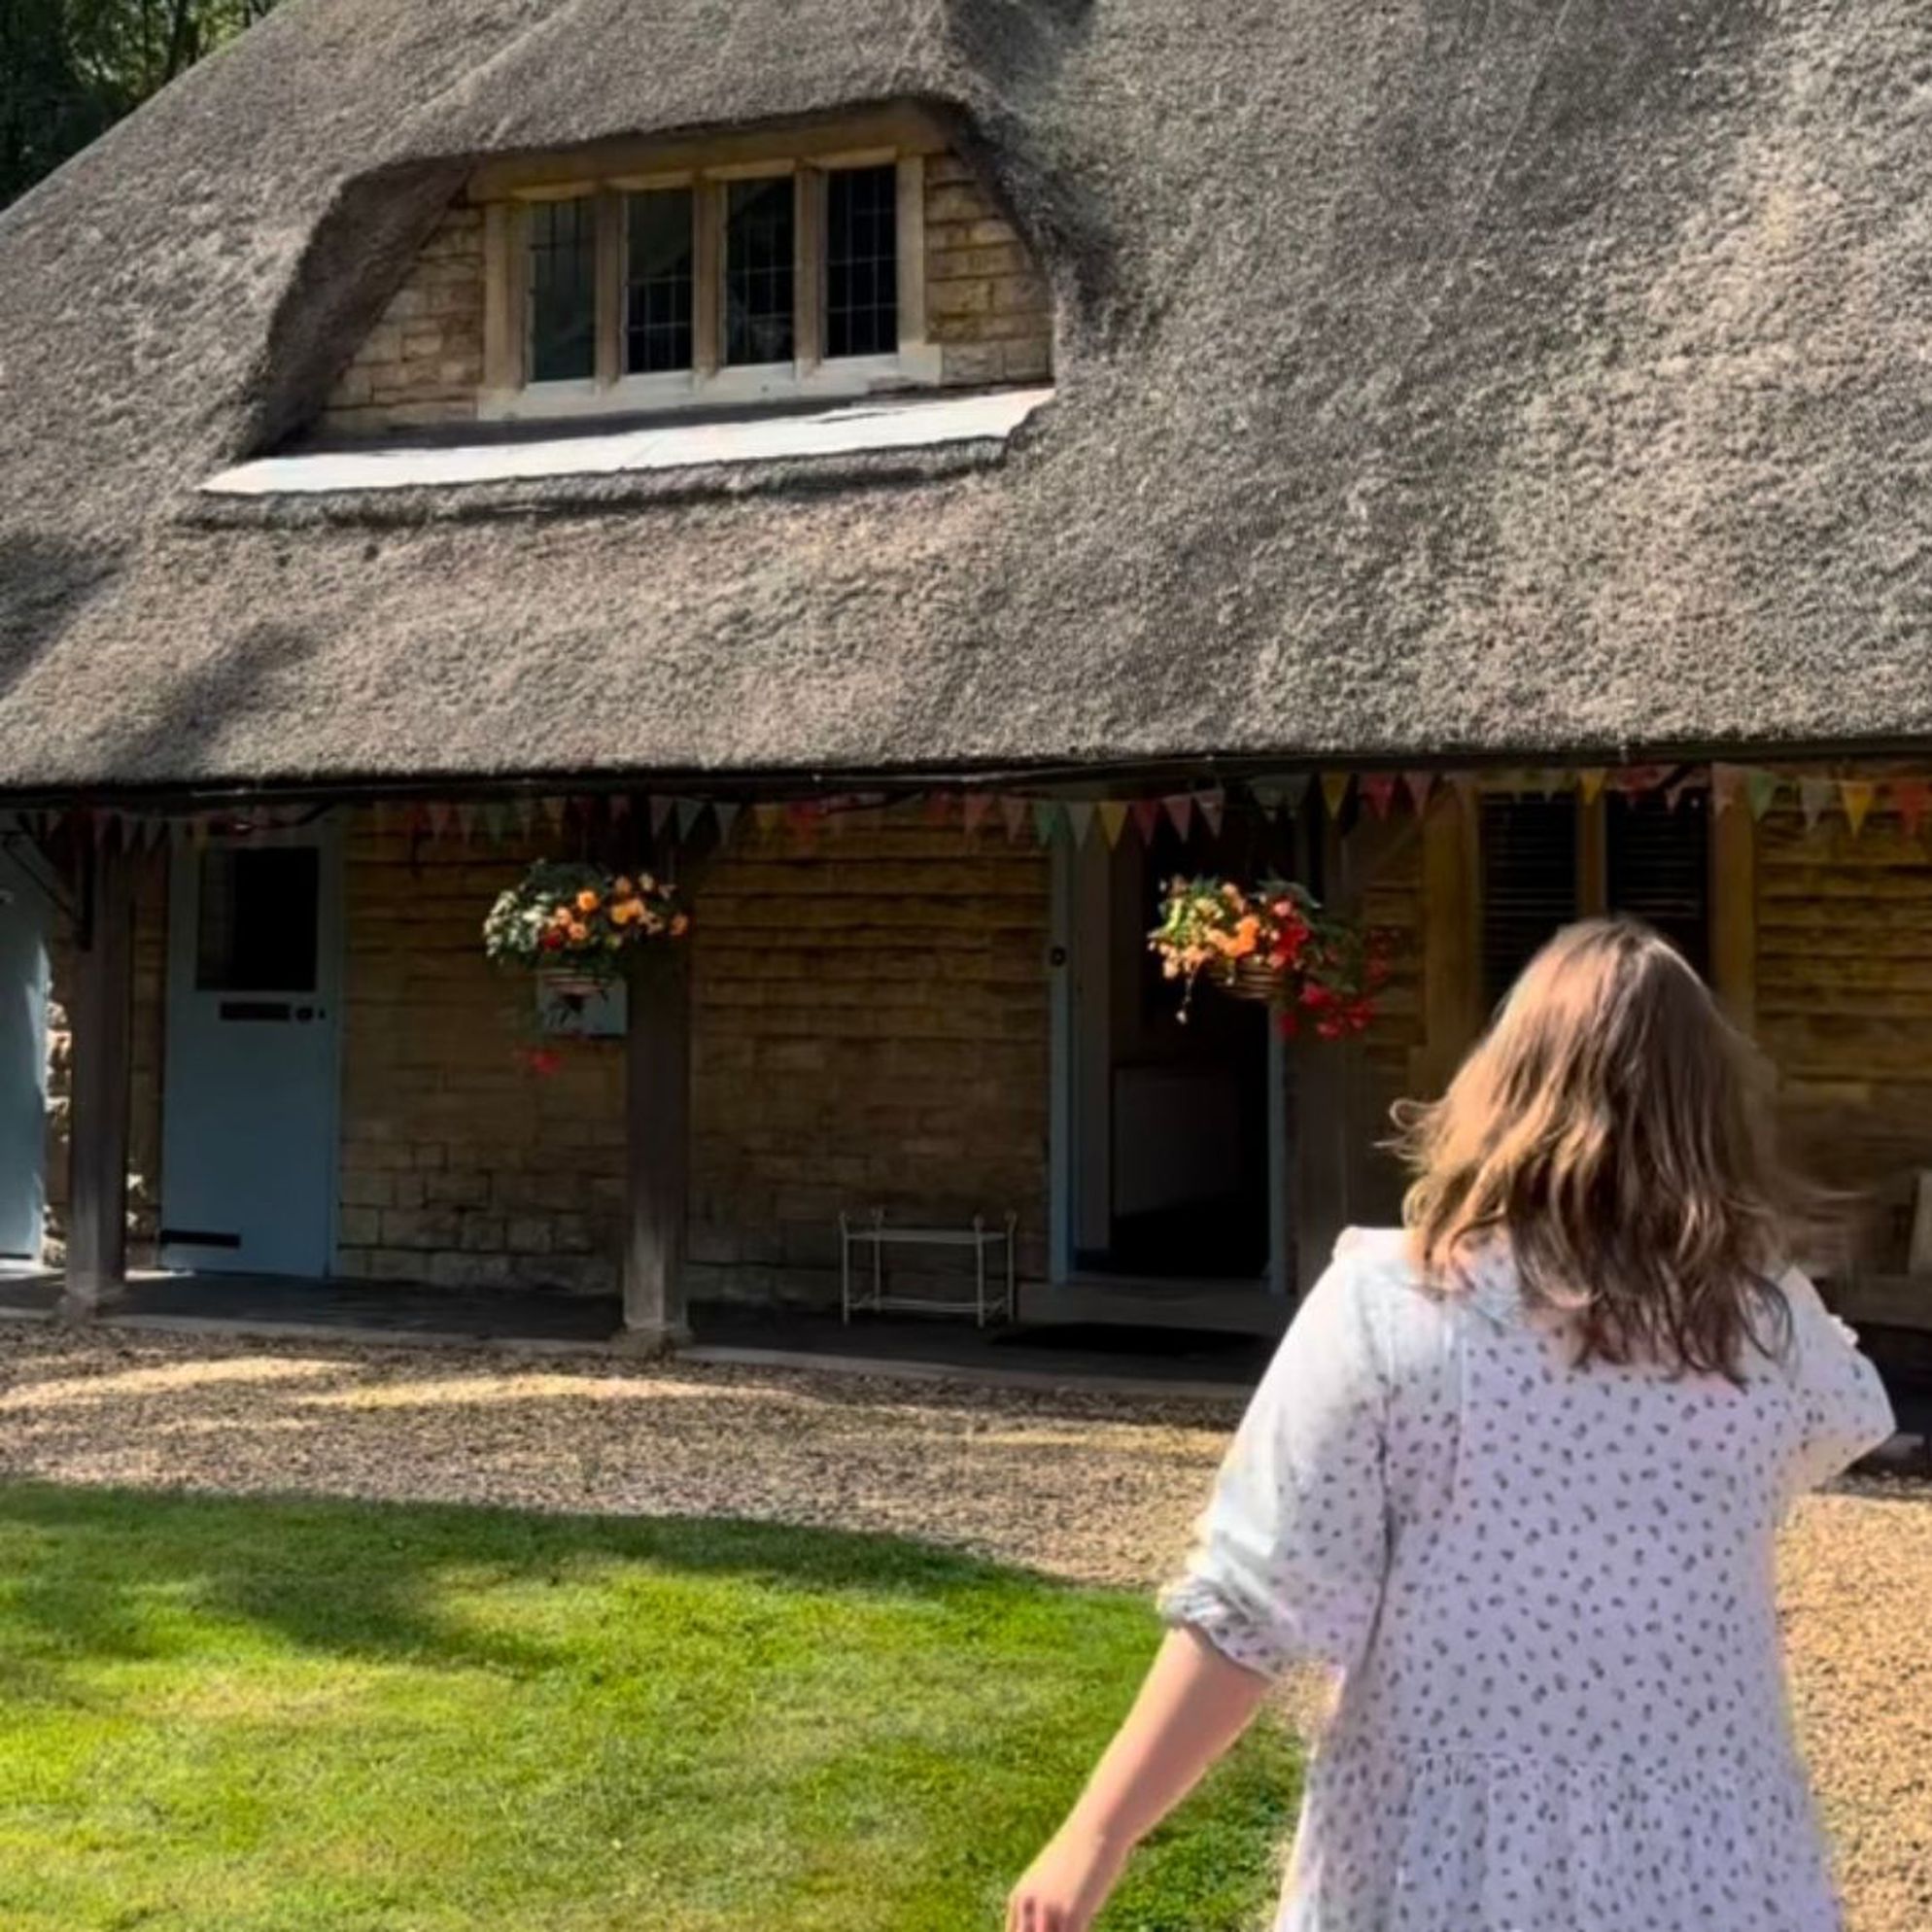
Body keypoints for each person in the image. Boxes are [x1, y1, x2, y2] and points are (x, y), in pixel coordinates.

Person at [1007, 916, 1896, 1932]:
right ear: (1707, 1115)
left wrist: (1097, 1831)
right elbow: (1841, 1413)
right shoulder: (1764, 1329)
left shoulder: (1390, 1308)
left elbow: (1250, 1603)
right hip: (1720, 1860)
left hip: (1445, 1860)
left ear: (1502, 1086)